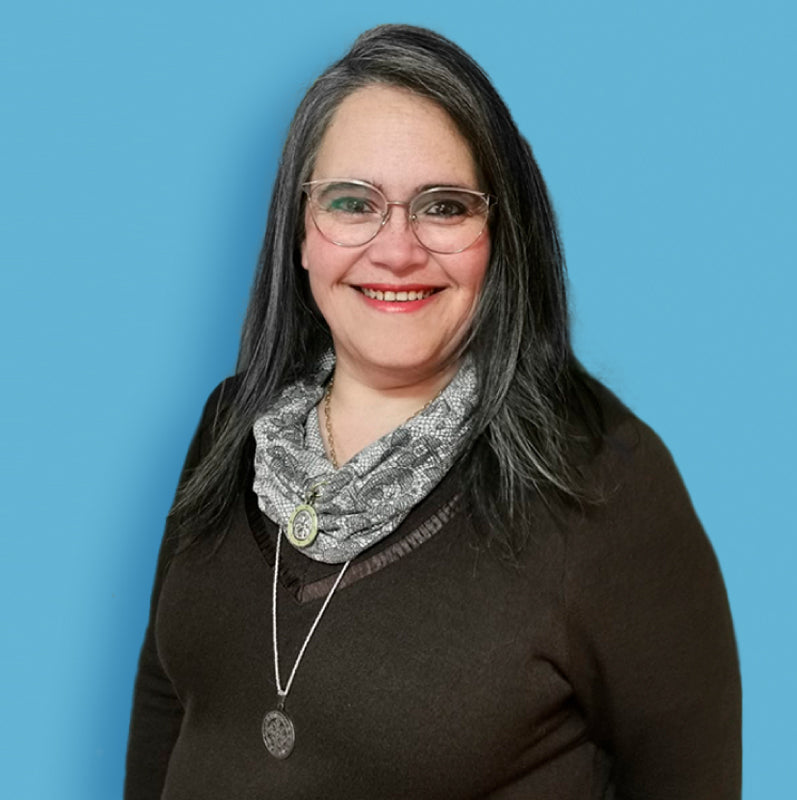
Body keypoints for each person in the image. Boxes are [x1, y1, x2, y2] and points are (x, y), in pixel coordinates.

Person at [124, 24, 741, 800]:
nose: (397, 250)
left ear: (500, 235)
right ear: (301, 233)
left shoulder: (605, 483)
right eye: (353, 203)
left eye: (443, 207)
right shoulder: (231, 425)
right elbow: (167, 700)